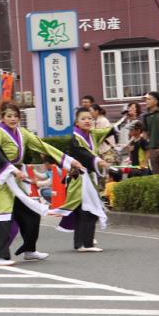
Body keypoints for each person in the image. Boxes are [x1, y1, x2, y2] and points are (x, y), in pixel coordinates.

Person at [0, 101, 83, 266]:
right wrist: (13, 170)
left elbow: (43, 146)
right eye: (9, 116)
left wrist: (70, 162)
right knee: (3, 216)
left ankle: (30, 250)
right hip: (2, 181)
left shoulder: (22, 133)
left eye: (15, 116)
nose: (13, 119)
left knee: (31, 213)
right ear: (2, 117)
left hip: (17, 180)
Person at [51, 107, 113, 252]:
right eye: (83, 119)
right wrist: (99, 161)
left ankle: (81, 243)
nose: (87, 121)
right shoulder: (75, 139)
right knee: (88, 210)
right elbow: (84, 153)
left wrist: (116, 129)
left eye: (90, 118)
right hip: (80, 178)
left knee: (83, 210)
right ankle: (86, 244)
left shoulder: (92, 135)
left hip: (88, 178)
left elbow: (108, 130)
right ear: (76, 123)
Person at [143, 91, 159, 174]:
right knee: (156, 175)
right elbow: (145, 135)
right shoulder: (145, 116)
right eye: (146, 99)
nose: (146, 101)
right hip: (152, 149)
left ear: (156, 101)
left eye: (149, 99)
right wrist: (147, 150)